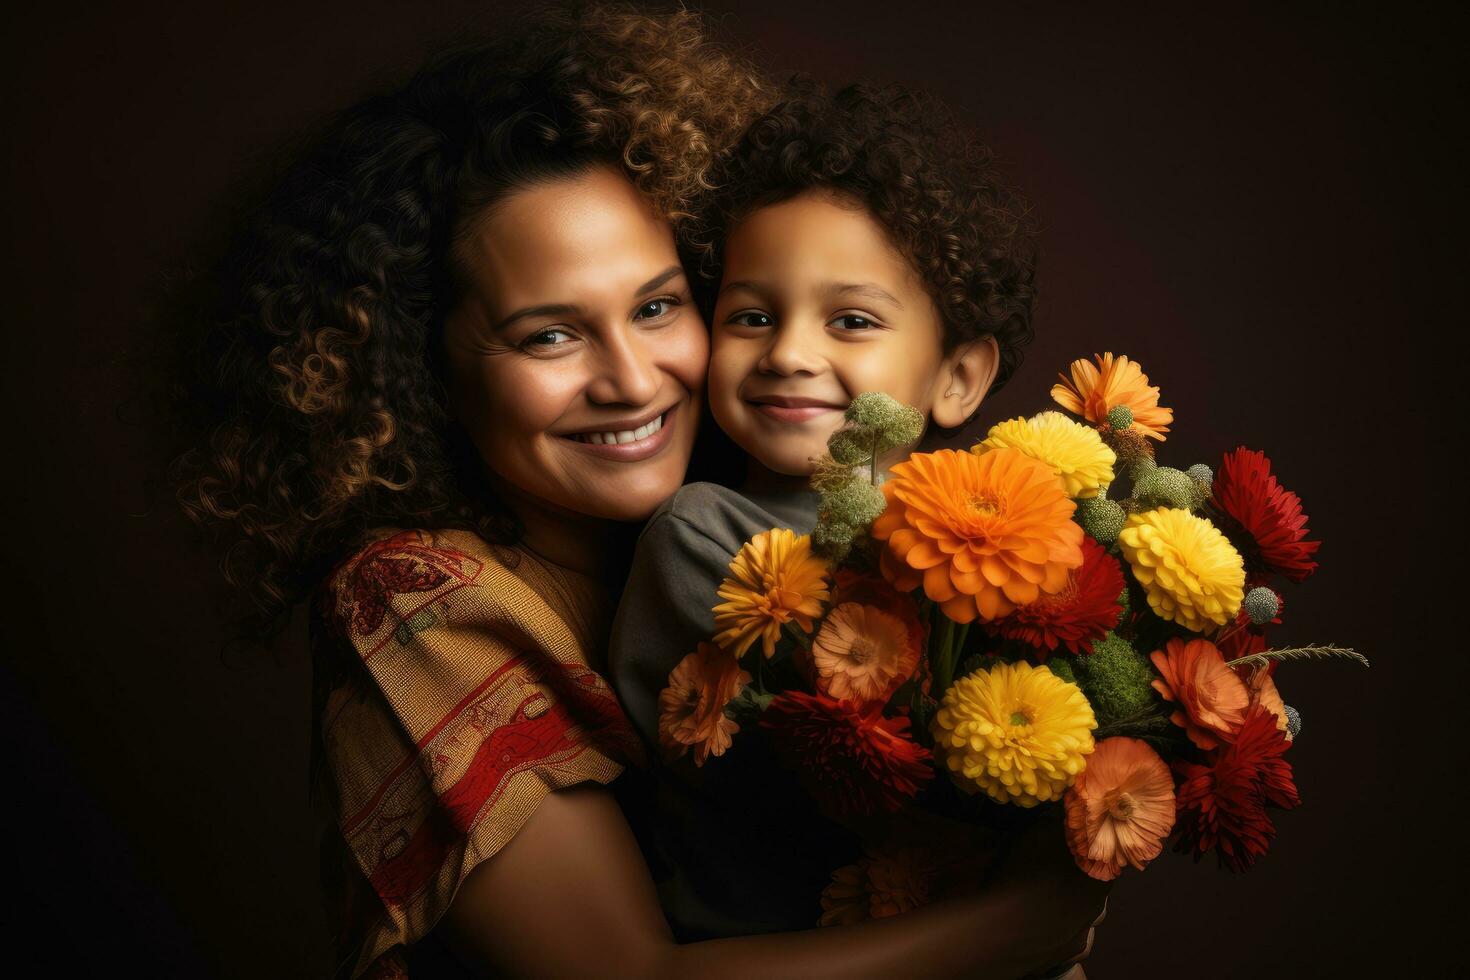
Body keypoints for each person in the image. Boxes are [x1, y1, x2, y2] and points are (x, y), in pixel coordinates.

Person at [169, 6, 1104, 978]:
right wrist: (1016, 928)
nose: (632, 378)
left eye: (658, 306)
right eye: (548, 334)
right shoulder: (416, 606)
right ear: (421, 371)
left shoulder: (747, 502)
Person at [609, 79, 1105, 964]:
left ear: (957, 378)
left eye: (852, 319)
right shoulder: (701, 538)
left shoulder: (1003, 538)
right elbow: (897, 757)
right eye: (752, 316)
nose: (791, 352)